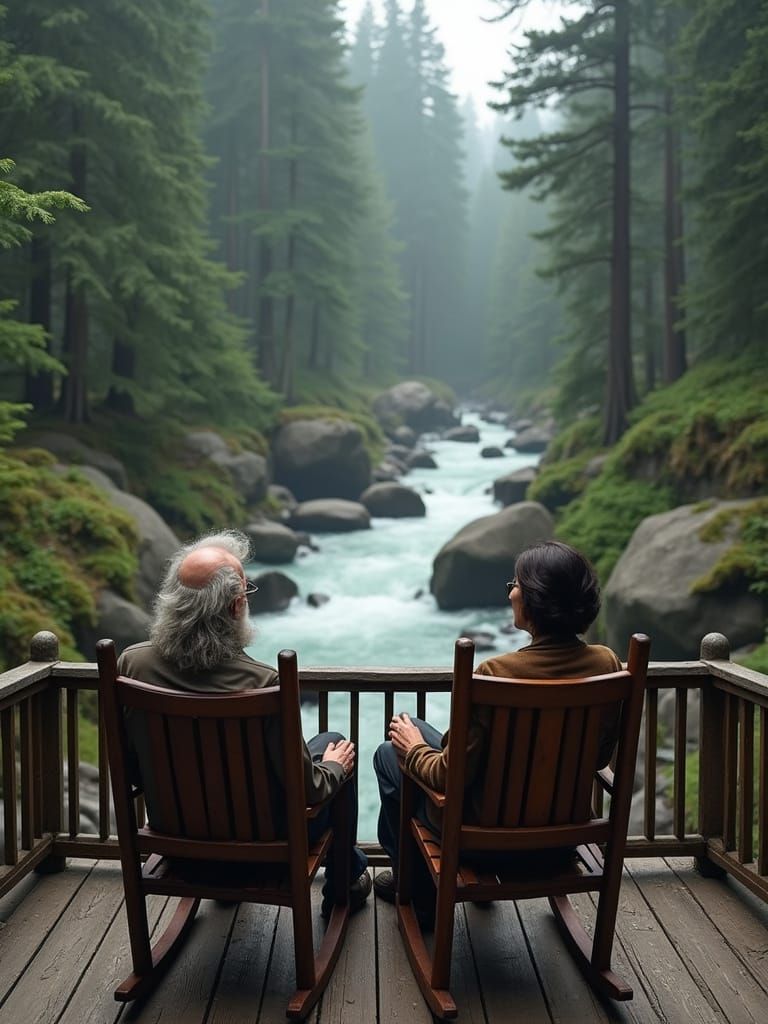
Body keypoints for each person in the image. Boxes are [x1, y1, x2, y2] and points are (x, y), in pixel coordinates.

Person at [117, 529, 370, 916]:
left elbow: (128, 766)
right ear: (236, 607)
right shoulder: (262, 684)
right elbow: (307, 790)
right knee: (336, 745)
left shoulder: (131, 665)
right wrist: (336, 767)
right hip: (260, 851)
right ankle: (345, 885)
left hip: (172, 841)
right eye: (245, 594)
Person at [372, 540, 621, 925]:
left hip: (482, 843)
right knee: (419, 731)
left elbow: (448, 778)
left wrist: (413, 748)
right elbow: (601, 758)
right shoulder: (607, 663)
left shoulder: (495, 674)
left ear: (535, 599)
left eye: (517, 583)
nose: (511, 591)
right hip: (563, 839)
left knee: (391, 753)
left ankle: (419, 889)